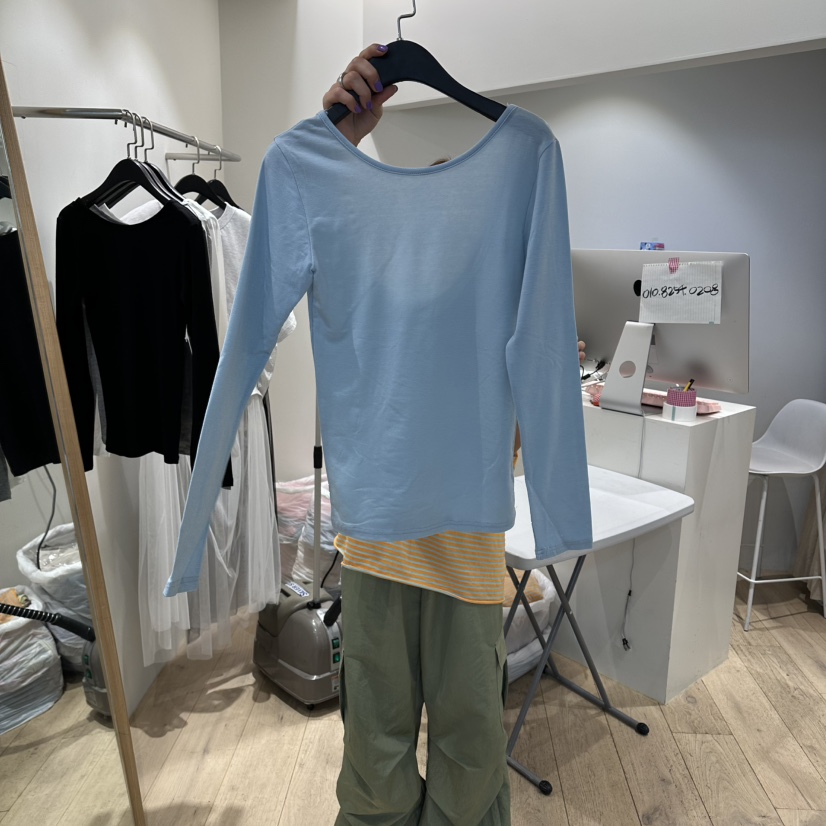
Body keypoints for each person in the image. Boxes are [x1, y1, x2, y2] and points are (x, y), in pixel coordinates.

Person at [322, 46, 585, 826]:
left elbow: (523, 417)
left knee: (469, 763)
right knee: (376, 762)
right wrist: (335, 138)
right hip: (376, 548)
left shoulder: (501, 280)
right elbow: (314, 236)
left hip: (466, 554)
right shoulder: (372, 272)